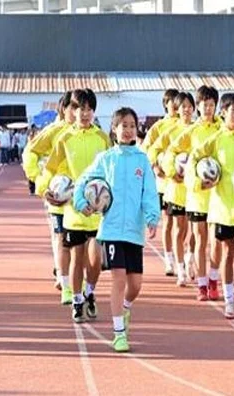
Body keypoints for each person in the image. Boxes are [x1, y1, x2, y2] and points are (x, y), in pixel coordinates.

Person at [73, 107, 159, 352]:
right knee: (118, 278)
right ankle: (118, 332)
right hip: (110, 231)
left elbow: (149, 193)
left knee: (136, 285)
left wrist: (152, 217)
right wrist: (82, 203)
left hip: (134, 230)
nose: (128, 129)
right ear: (114, 129)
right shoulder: (106, 159)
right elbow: (83, 181)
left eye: (132, 125)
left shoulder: (142, 160)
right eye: (123, 125)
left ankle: (126, 309)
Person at [42, 88, 110, 323]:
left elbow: (111, 171)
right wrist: (47, 190)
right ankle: (78, 299)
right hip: (73, 211)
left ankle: (90, 292)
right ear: (73, 110)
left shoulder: (102, 138)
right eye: (80, 108)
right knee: (76, 258)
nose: (85, 113)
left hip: (97, 211)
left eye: (89, 109)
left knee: (95, 260)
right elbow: (50, 169)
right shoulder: (64, 138)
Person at [189, 93, 234, 319]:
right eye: (232, 110)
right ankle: (228, 298)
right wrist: (200, 181)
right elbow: (195, 159)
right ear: (223, 112)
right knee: (228, 253)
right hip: (223, 207)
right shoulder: (216, 139)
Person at [165, 85, 222, 300]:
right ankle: (201, 284)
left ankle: (214, 279)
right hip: (197, 196)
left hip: (219, 197)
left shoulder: (223, 130)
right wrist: (173, 172)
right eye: (204, 105)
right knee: (200, 239)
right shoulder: (192, 132)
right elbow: (171, 152)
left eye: (211, 105)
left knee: (216, 244)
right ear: (198, 107)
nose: (208, 109)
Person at [24, 92, 75, 296]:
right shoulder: (53, 131)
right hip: (58, 194)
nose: (77, 112)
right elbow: (30, 151)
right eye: (72, 107)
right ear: (63, 109)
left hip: (80, 195)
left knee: (79, 243)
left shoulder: (91, 132)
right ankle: (64, 282)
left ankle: (68, 274)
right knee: (61, 236)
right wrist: (38, 180)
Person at [149, 92, 196, 286]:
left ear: (194, 108)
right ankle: (177, 266)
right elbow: (152, 150)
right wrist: (162, 168)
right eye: (181, 106)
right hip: (174, 187)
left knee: (195, 231)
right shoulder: (167, 130)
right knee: (176, 227)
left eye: (188, 106)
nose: (185, 110)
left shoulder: (198, 129)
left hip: (195, 189)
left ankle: (190, 257)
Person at [141, 89, 180, 276]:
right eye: (173, 104)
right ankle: (169, 258)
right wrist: (156, 166)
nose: (176, 107)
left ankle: (184, 257)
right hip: (164, 183)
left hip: (182, 183)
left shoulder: (186, 125)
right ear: (166, 105)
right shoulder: (159, 127)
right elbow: (147, 149)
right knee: (168, 221)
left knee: (183, 225)